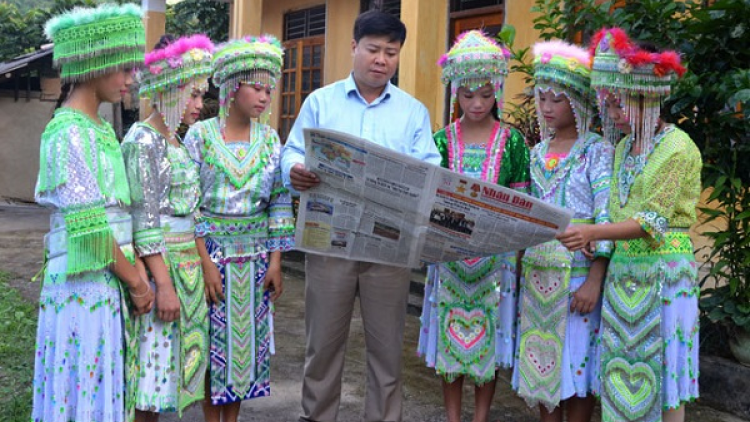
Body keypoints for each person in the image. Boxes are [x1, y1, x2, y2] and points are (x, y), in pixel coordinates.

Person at [281, 10, 441, 422]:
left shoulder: (412, 112)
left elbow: (429, 167)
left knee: (387, 351)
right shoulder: (321, 102)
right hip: (329, 241)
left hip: (389, 248)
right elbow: (293, 150)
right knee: (323, 347)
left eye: (391, 52)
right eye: (373, 49)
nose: (381, 59)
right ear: (354, 48)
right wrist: (294, 171)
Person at [557, 28, 700, 422]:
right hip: (623, 276)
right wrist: (593, 237)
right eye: (611, 105)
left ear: (648, 97)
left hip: (664, 275)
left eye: (620, 106)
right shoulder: (621, 147)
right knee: (623, 373)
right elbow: (618, 215)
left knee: (667, 378)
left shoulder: (677, 148)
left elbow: (651, 222)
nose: (615, 116)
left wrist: (593, 233)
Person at [31, 4, 154, 422]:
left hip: (103, 287)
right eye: (124, 68)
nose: (130, 79)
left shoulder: (100, 128)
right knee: (80, 394)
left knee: (101, 390)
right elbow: (88, 227)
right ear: (95, 61)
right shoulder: (67, 132)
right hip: (80, 293)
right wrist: (137, 281)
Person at [416, 30, 529, 422]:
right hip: (449, 259)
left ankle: (480, 417)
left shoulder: (513, 142)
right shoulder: (441, 141)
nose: (477, 103)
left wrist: (516, 256)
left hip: (497, 263)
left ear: (497, 88)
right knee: (451, 342)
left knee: (488, 345)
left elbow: (522, 204)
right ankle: (453, 418)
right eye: (467, 95)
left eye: (485, 93)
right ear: (454, 92)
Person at [183, 35, 295, 422]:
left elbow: (279, 202)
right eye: (258, 88)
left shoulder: (270, 139)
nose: (266, 97)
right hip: (211, 259)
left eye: (269, 89)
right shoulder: (199, 137)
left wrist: (276, 262)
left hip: (255, 261)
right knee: (213, 351)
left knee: (242, 351)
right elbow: (188, 203)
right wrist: (204, 261)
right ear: (232, 87)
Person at [512, 40, 614, 422]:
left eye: (557, 99)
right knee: (543, 363)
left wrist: (595, 281)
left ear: (578, 101)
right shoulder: (535, 153)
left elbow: (605, 216)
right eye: (542, 99)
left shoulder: (596, 150)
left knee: (579, 366)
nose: (548, 107)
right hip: (537, 276)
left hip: (578, 277)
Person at [121, 33, 214, 420]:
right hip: (164, 273)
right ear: (167, 90)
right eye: (191, 94)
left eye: (201, 94)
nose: (199, 104)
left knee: (167, 383)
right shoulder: (144, 141)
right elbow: (144, 220)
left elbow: (189, 214)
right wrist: (164, 286)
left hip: (187, 269)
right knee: (150, 383)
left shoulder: (175, 141)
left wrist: (203, 263)